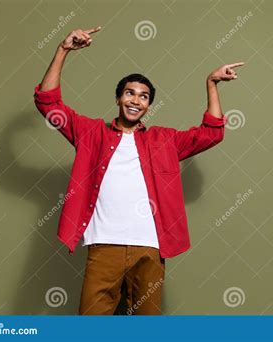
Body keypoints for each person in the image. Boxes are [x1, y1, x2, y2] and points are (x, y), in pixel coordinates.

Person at [33, 26, 244, 315]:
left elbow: (212, 133)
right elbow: (48, 102)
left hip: (150, 247)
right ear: (118, 98)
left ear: (148, 106)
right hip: (104, 244)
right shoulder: (91, 133)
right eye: (129, 93)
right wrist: (63, 49)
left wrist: (211, 83)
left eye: (143, 97)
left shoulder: (164, 140)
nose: (135, 100)